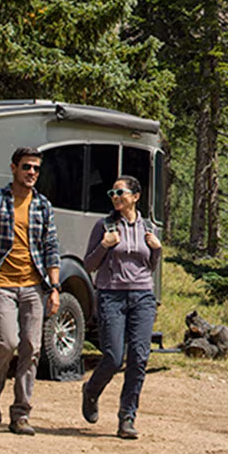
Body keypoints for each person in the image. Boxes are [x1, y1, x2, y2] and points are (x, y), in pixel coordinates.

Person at [0, 147, 61, 435]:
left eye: (36, 169)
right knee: (6, 342)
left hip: (33, 286)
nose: (32, 173)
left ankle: (21, 414)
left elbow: (51, 249)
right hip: (0, 282)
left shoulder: (43, 206)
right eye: (27, 167)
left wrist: (54, 288)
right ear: (13, 168)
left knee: (32, 347)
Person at [81, 175, 162, 440]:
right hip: (111, 296)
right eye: (113, 193)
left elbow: (149, 266)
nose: (116, 197)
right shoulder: (103, 225)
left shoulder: (147, 227)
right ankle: (91, 391)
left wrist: (157, 250)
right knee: (114, 358)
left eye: (121, 192)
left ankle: (127, 417)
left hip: (142, 297)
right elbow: (89, 266)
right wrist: (104, 246)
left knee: (139, 359)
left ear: (135, 197)